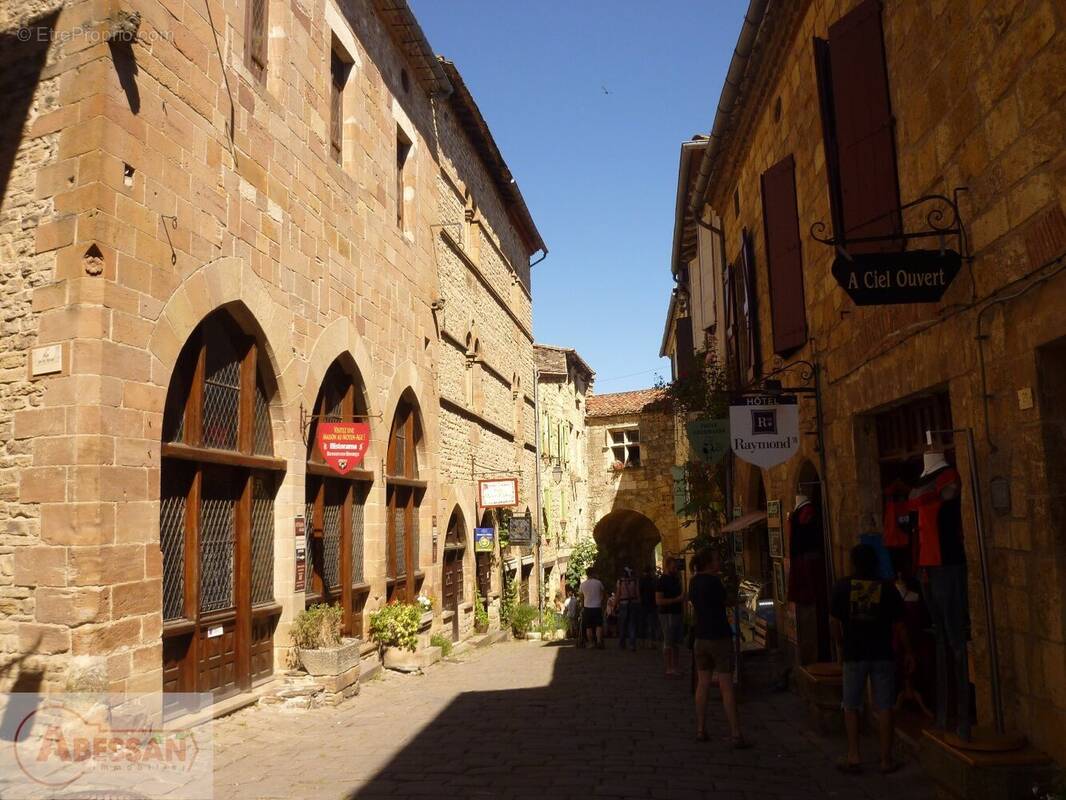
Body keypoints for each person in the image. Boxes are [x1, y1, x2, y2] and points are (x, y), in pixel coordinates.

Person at [831, 543, 914, 775]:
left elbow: (835, 622)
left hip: (854, 653)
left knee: (851, 705)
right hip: (881, 653)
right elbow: (899, 625)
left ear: (853, 562)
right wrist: (908, 651)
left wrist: (840, 645)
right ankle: (886, 759)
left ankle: (853, 755)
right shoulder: (887, 589)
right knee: (885, 706)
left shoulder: (842, 587)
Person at [689, 548, 749, 747]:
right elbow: (725, 601)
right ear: (708, 563)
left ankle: (700, 729)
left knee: (703, 683)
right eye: (716, 559)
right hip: (719, 636)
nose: (718, 562)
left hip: (701, 637)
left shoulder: (694, 581)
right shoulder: (714, 582)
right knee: (726, 686)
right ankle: (736, 733)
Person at [656, 557, 685, 676]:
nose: (675, 569)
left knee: (675, 642)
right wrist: (676, 600)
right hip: (667, 613)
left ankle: (676, 666)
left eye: (676, 567)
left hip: (677, 613)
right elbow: (658, 601)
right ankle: (669, 667)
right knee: (668, 641)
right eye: (673, 567)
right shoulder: (662, 581)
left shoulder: (676, 579)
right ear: (667, 567)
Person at [579, 569, 606, 649]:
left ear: (587, 574)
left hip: (587, 607)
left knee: (589, 626)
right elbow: (604, 594)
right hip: (597, 606)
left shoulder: (583, 584)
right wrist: (602, 603)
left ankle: (591, 643)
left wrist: (582, 606)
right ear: (593, 573)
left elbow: (581, 597)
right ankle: (598, 641)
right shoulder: (598, 583)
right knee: (598, 625)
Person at [615, 567, 640, 651]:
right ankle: (632, 644)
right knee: (632, 624)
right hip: (633, 603)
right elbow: (637, 593)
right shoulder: (635, 581)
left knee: (622, 624)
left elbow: (618, 593)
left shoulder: (620, 581)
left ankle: (622, 643)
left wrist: (615, 603)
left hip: (623, 603)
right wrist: (638, 603)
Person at [639, 566, 659, 648]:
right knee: (652, 624)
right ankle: (652, 642)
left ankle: (643, 642)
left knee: (644, 624)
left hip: (644, 604)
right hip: (652, 604)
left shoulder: (642, 581)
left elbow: (639, 592)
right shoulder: (653, 581)